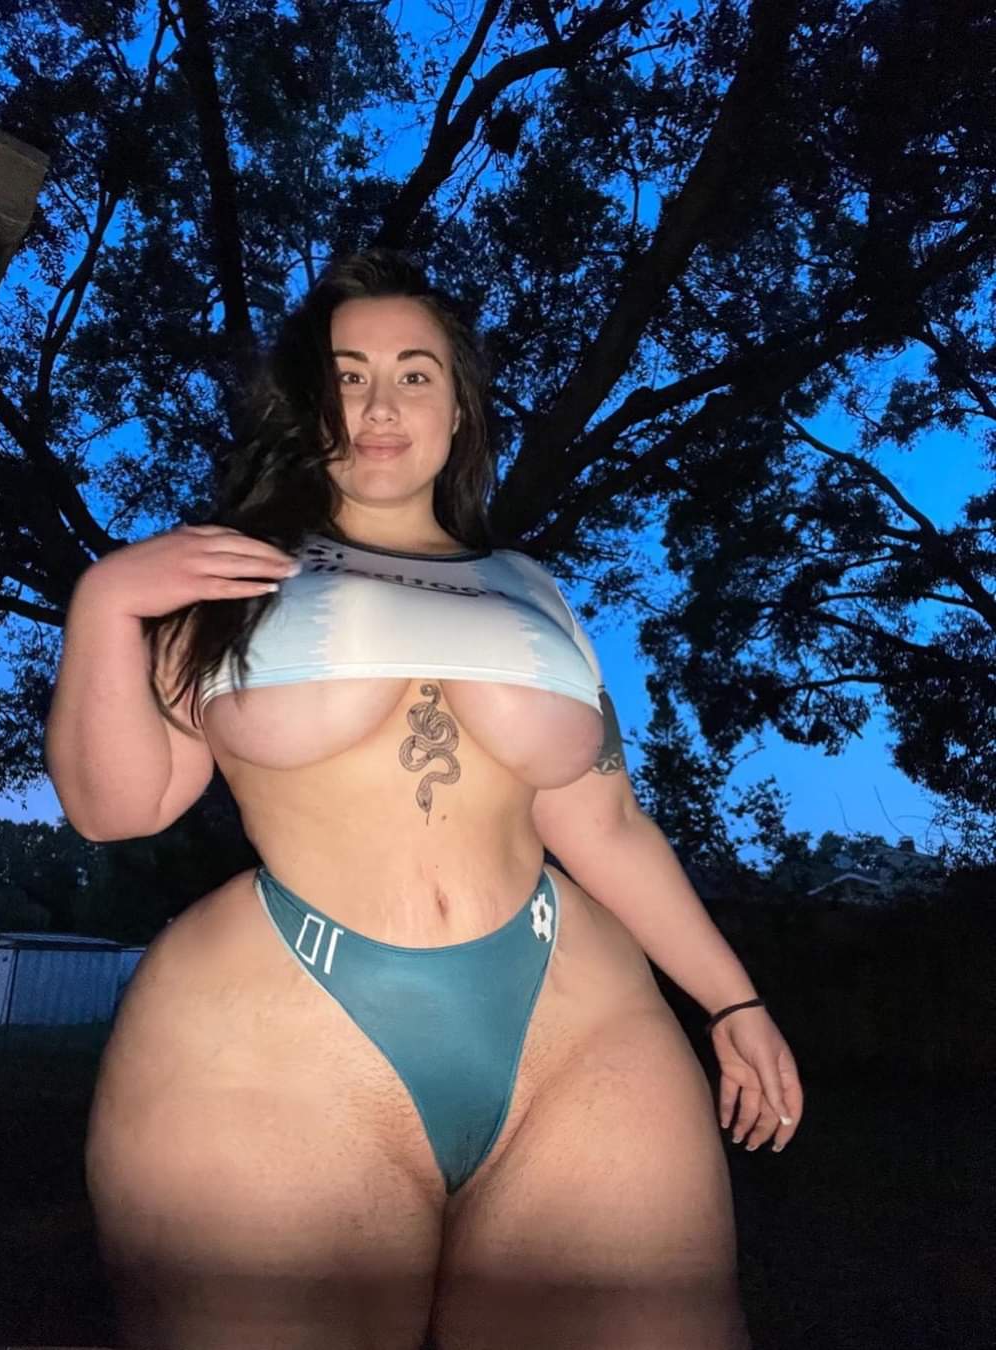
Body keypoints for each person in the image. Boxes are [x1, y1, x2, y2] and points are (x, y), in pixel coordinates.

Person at [45, 249, 802, 1350]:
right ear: (308, 407)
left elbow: (602, 822)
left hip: (576, 1028)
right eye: (346, 377)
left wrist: (733, 1003)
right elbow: (119, 807)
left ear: (458, 410)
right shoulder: (225, 575)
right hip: (275, 1036)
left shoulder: (533, 589)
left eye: (413, 374)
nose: (379, 406)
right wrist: (105, 603)